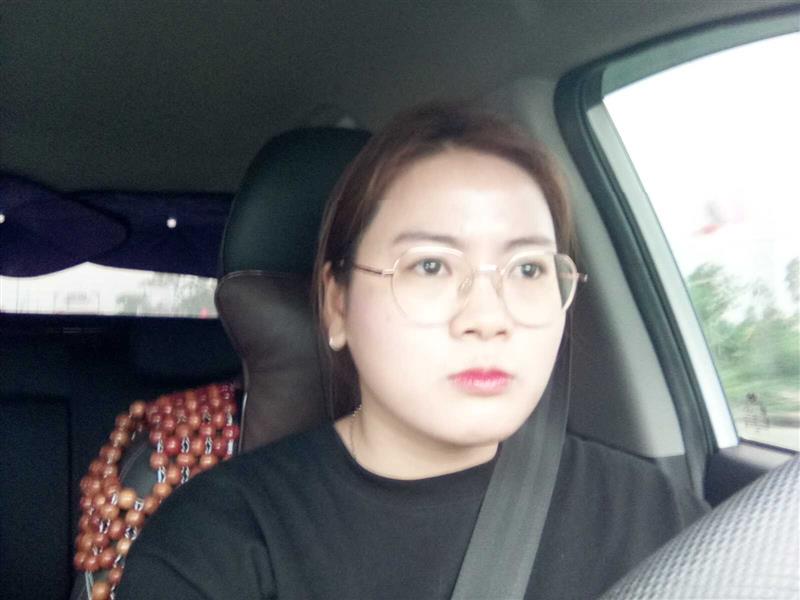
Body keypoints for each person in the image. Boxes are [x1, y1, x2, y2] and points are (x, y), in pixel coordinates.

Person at [117, 104, 707, 599]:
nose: (488, 318)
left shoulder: (653, 512)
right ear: (337, 305)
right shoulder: (218, 544)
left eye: (528, 268)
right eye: (430, 266)